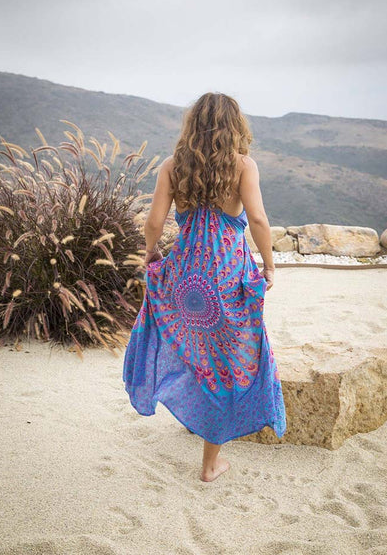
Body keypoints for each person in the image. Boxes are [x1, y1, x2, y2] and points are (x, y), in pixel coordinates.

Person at [122, 92, 287, 483]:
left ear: (192, 125)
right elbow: (258, 220)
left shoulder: (172, 166)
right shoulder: (243, 166)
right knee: (228, 361)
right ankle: (210, 463)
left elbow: (154, 222)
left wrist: (151, 252)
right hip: (227, 278)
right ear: (235, 126)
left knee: (194, 350)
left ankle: (196, 422)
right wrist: (268, 264)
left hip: (187, 280)